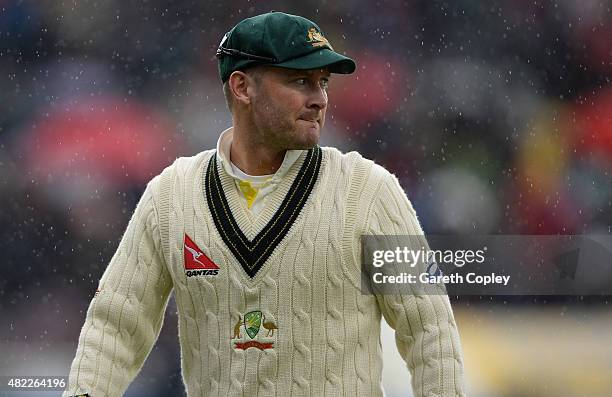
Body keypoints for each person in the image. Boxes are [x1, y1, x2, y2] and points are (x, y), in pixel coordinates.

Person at [64, 12, 466, 397]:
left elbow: (431, 329)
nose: (320, 99)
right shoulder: (170, 196)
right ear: (242, 88)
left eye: (323, 82)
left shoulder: (371, 191)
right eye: (300, 81)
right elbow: (114, 326)